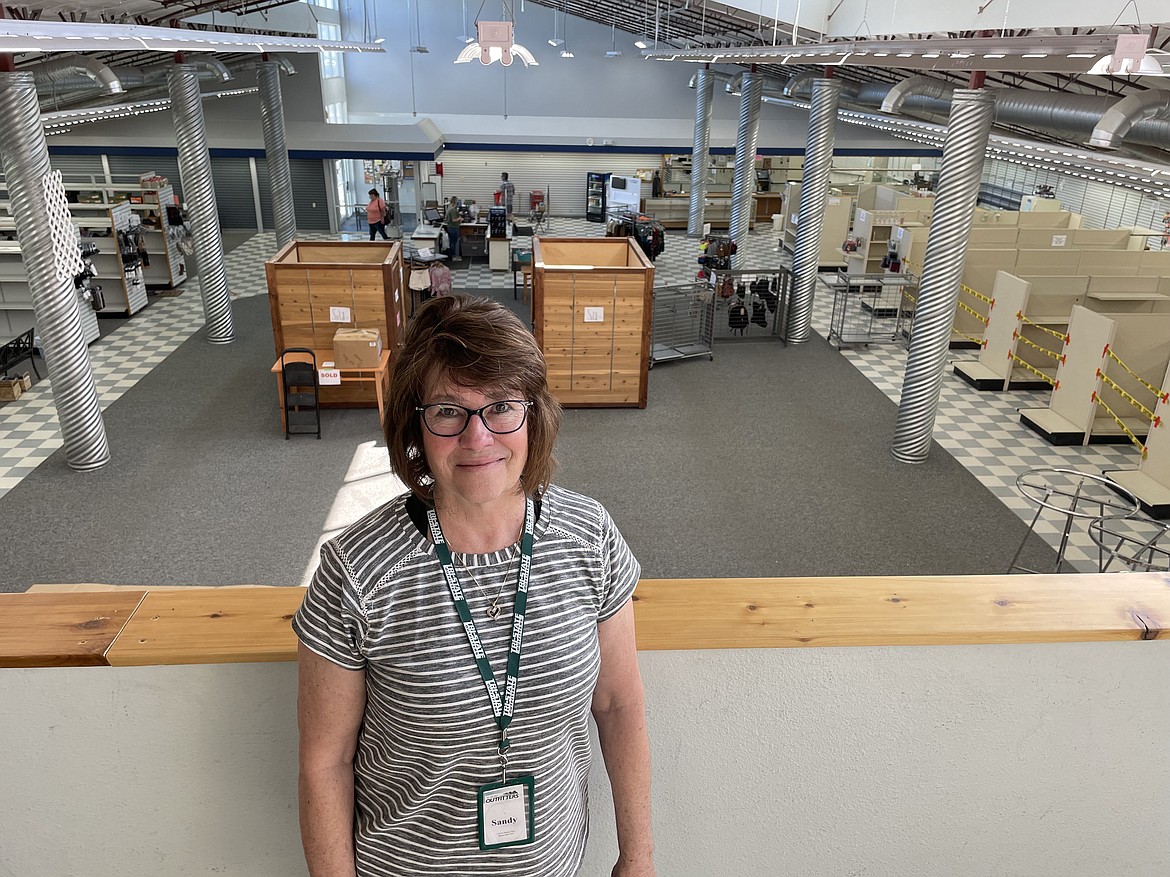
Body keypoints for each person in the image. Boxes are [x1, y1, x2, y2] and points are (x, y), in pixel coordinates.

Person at [294, 294, 656, 877]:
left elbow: (618, 705)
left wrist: (637, 858)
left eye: (501, 407)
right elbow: (325, 762)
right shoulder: (355, 570)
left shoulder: (590, 537)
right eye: (448, 411)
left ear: (533, 415)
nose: (478, 437)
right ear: (415, 425)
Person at [444, 195, 463, 262]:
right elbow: (454, 220)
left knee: (452, 242)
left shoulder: (449, 207)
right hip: (453, 227)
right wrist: (460, 218)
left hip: (450, 227)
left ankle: (453, 255)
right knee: (454, 242)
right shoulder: (452, 210)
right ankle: (454, 256)